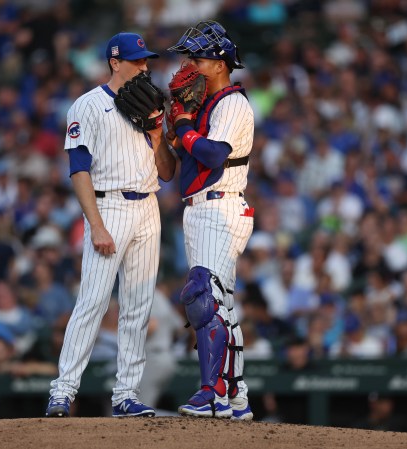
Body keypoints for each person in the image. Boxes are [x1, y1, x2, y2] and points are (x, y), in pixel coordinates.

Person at [45, 31, 176, 418]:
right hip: (110, 207)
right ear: (114, 63)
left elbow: (167, 173)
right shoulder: (87, 106)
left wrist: (156, 135)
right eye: (136, 60)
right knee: (93, 303)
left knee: (138, 307)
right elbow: (78, 170)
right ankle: (63, 390)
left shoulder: (151, 106)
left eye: (146, 59)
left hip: (148, 207)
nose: (144, 66)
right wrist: (96, 224)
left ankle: (126, 394)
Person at [166, 20, 255, 420]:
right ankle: (236, 397)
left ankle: (212, 391)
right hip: (203, 208)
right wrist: (166, 129)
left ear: (220, 64)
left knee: (203, 295)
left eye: (197, 58)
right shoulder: (204, 105)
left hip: (220, 204)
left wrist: (184, 126)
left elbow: (214, 155)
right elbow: (182, 161)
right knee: (222, 306)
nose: (190, 66)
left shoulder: (233, 102)